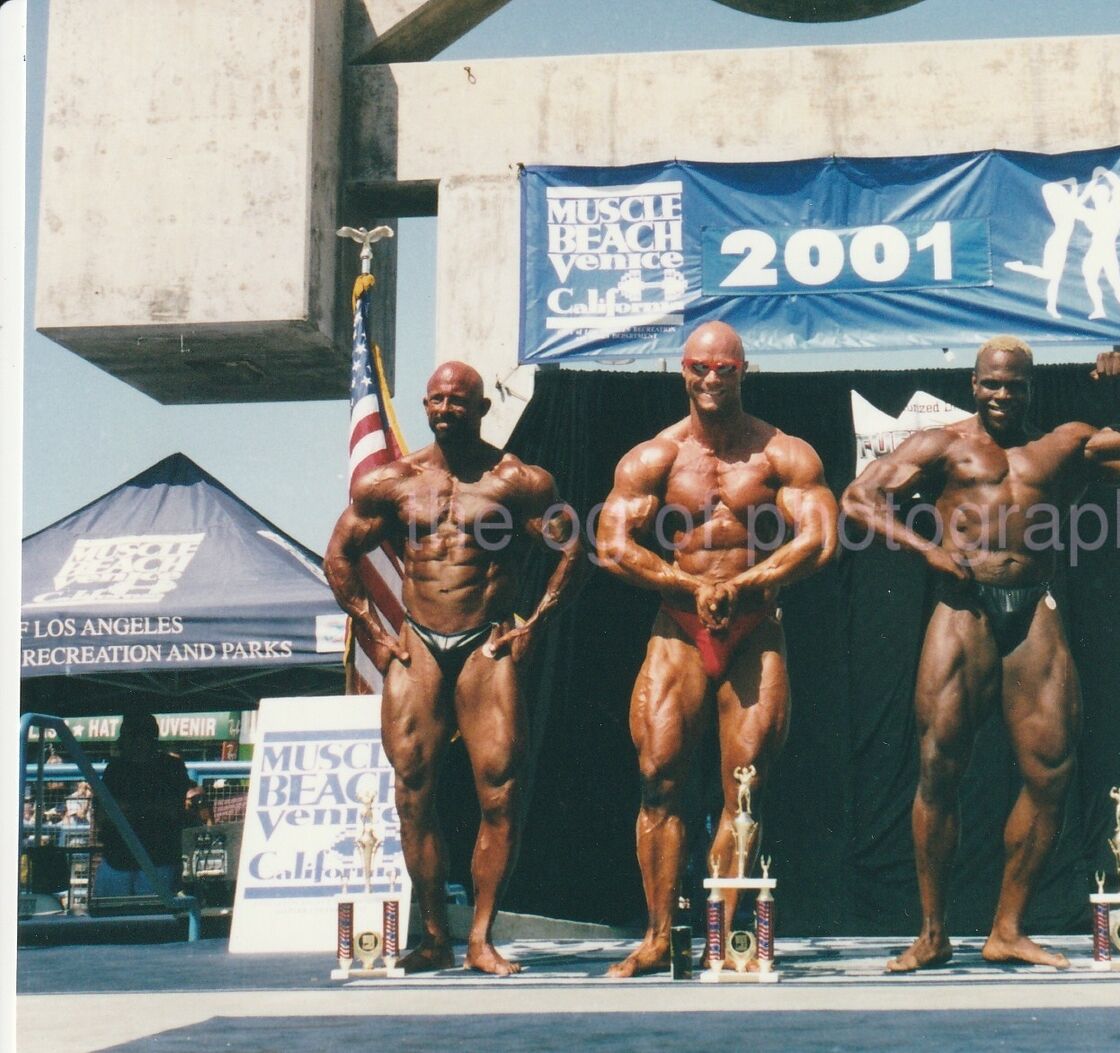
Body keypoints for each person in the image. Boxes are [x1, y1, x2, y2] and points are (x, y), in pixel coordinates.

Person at [840, 337, 1120, 971]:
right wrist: (927, 551)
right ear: (974, 385)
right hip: (963, 608)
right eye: (992, 384)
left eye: (1015, 385)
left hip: (1033, 609)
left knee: (1050, 770)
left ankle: (1007, 928)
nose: (1003, 395)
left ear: (1031, 388)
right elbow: (858, 499)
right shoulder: (942, 445)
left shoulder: (1064, 444)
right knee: (938, 765)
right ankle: (933, 932)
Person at [595, 321, 838, 977]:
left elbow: (819, 538)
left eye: (722, 368)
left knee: (747, 784)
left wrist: (748, 581)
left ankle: (727, 940)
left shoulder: (781, 453)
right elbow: (612, 544)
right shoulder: (655, 458)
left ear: (742, 371)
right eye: (699, 366)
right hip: (678, 624)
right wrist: (686, 582)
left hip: (755, 623)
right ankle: (654, 936)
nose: (709, 378)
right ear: (683, 370)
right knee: (659, 775)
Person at [326, 360, 584, 975]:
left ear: (482, 408)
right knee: (412, 793)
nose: (446, 410)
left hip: (484, 647)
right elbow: (340, 553)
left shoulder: (517, 481)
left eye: (459, 401)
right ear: (425, 405)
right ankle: (435, 935)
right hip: (416, 644)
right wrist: (373, 628)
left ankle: (480, 938)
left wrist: (534, 622)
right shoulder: (394, 481)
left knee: (499, 792)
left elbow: (571, 546)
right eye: (437, 400)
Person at [94, 713, 189, 897]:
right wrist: (146, 809)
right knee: (110, 917)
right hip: (117, 859)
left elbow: (172, 810)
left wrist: (129, 808)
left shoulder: (171, 767)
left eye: (131, 736)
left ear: (146, 738)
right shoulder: (116, 768)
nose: (126, 742)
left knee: (154, 917)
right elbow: (103, 815)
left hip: (159, 860)